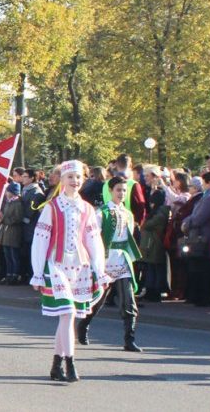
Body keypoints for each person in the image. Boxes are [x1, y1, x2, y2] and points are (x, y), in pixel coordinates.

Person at [31, 160, 109, 383]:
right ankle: (70, 362)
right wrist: (38, 272)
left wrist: (99, 269)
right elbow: (40, 240)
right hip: (57, 266)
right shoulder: (52, 207)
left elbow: (93, 240)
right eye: (70, 177)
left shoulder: (87, 209)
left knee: (66, 318)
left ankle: (56, 364)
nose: (75, 181)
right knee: (68, 313)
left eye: (78, 178)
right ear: (61, 180)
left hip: (80, 267)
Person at [77, 176, 142, 352]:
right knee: (98, 300)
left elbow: (129, 238)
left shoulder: (128, 214)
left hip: (122, 261)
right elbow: (92, 238)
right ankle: (84, 325)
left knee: (128, 302)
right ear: (111, 191)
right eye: (118, 190)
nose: (121, 193)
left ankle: (130, 339)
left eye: (124, 190)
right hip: (105, 261)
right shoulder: (101, 213)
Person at [182, 171, 210, 307]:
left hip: (205, 239)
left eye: (204, 182)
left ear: (209, 183)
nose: (202, 185)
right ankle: (199, 296)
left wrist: (186, 223)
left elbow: (199, 218)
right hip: (203, 237)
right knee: (200, 268)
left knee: (203, 270)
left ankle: (203, 297)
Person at [0, 182, 24, 285]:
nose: (6, 192)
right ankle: (9, 274)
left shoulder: (17, 203)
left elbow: (17, 218)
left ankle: (15, 275)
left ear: (12, 192)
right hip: (6, 232)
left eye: (7, 191)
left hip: (13, 233)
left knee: (13, 256)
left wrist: (3, 220)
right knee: (7, 255)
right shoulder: (9, 202)